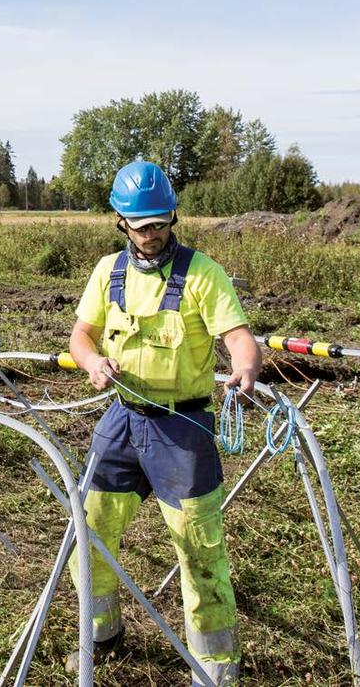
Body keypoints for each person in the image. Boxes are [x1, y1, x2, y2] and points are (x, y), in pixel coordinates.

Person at [67, 160, 261, 686]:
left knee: (199, 545)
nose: (153, 235)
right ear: (120, 222)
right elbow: (81, 336)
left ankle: (215, 668)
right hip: (122, 422)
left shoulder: (202, 272)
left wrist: (244, 365)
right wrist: (91, 362)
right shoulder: (108, 272)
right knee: (92, 528)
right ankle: (101, 634)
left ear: (172, 217)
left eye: (161, 223)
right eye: (141, 225)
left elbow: (238, 335)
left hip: (183, 429)